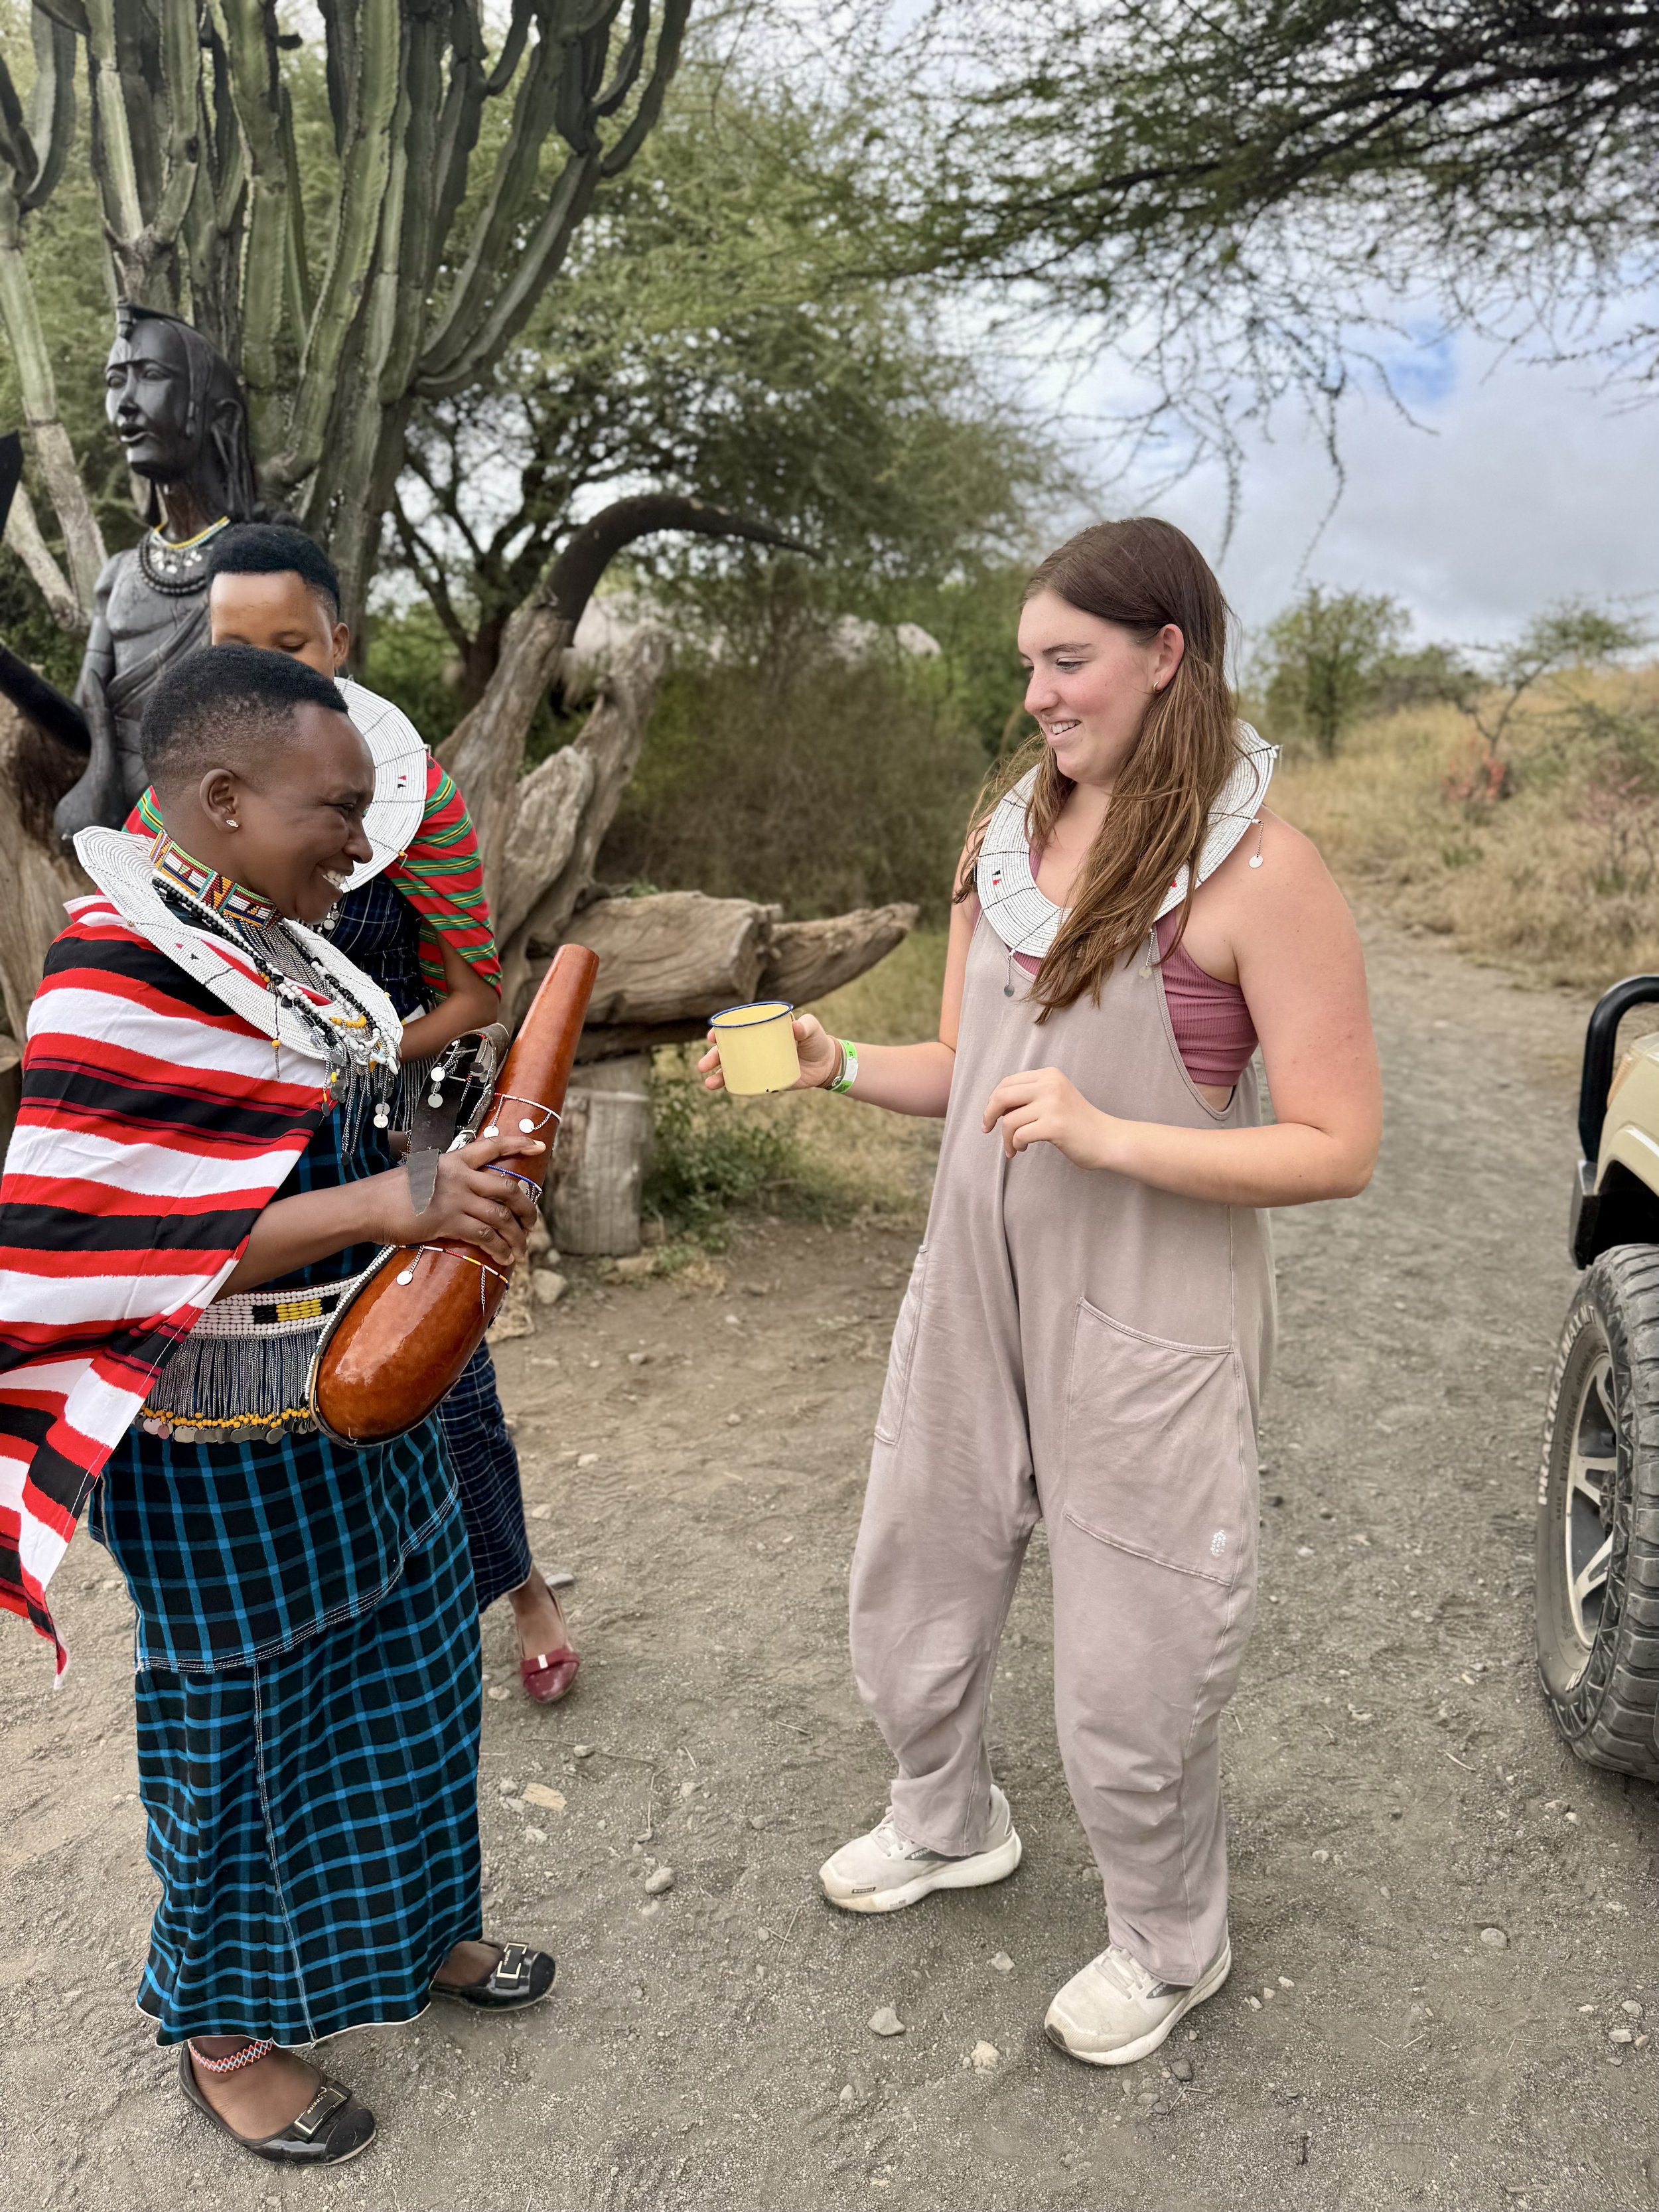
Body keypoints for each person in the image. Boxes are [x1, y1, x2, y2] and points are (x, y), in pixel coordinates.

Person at [701, 518, 1383, 2067]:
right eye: (1026, 665)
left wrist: (1105, 1131)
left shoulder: (1260, 867)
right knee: (914, 1570)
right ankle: (945, 1817)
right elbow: (969, 1070)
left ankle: (1169, 1937)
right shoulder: (1003, 830)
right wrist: (834, 1061)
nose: (1037, 698)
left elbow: (1338, 1144)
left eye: (1065, 662)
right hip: (971, 1284)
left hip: (1147, 1316)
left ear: (1166, 656)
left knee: (1136, 1653)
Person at [0, 646, 556, 2164]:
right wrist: (398, 1194)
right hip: (208, 1449)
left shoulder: (288, 948)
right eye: (336, 809)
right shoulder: (113, 973)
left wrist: (435, 1191)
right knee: (250, 1724)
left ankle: (415, 1928)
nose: (361, 845)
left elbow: (324, 1155)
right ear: (224, 798)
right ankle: (223, 2028)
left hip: (364, 1396)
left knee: (415, 1665)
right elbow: (98, 1240)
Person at [126, 521, 579, 1703]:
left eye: (292, 639)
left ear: (341, 638)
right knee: (280, 1368)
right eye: (235, 641)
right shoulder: (163, 833)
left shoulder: (408, 798)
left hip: (399, 1120)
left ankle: (517, 1586)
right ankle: (355, 1627)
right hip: (264, 1140)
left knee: (441, 1372)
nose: (269, 659)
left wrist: (345, 1051)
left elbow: (479, 991)